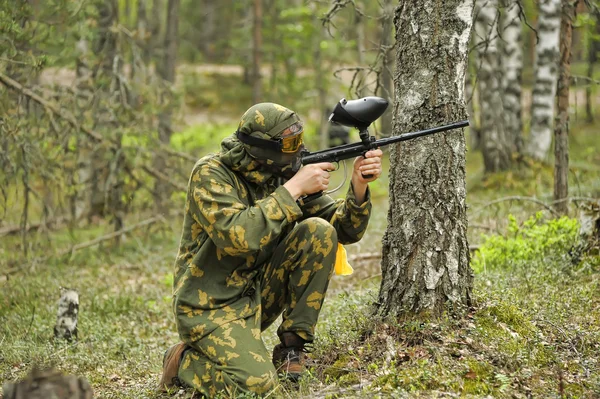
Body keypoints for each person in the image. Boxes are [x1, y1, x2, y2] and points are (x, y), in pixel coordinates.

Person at [159, 102, 383, 397]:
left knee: (318, 231)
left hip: (257, 293)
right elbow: (239, 238)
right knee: (259, 391)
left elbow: (344, 231)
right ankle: (184, 363)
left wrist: (358, 187)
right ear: (260, 147)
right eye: (290, 143)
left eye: (299, 140)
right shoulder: (211, 174)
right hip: (211, 307)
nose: (298, 149)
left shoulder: (283, 171)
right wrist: (293, 190)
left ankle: (293, 350)